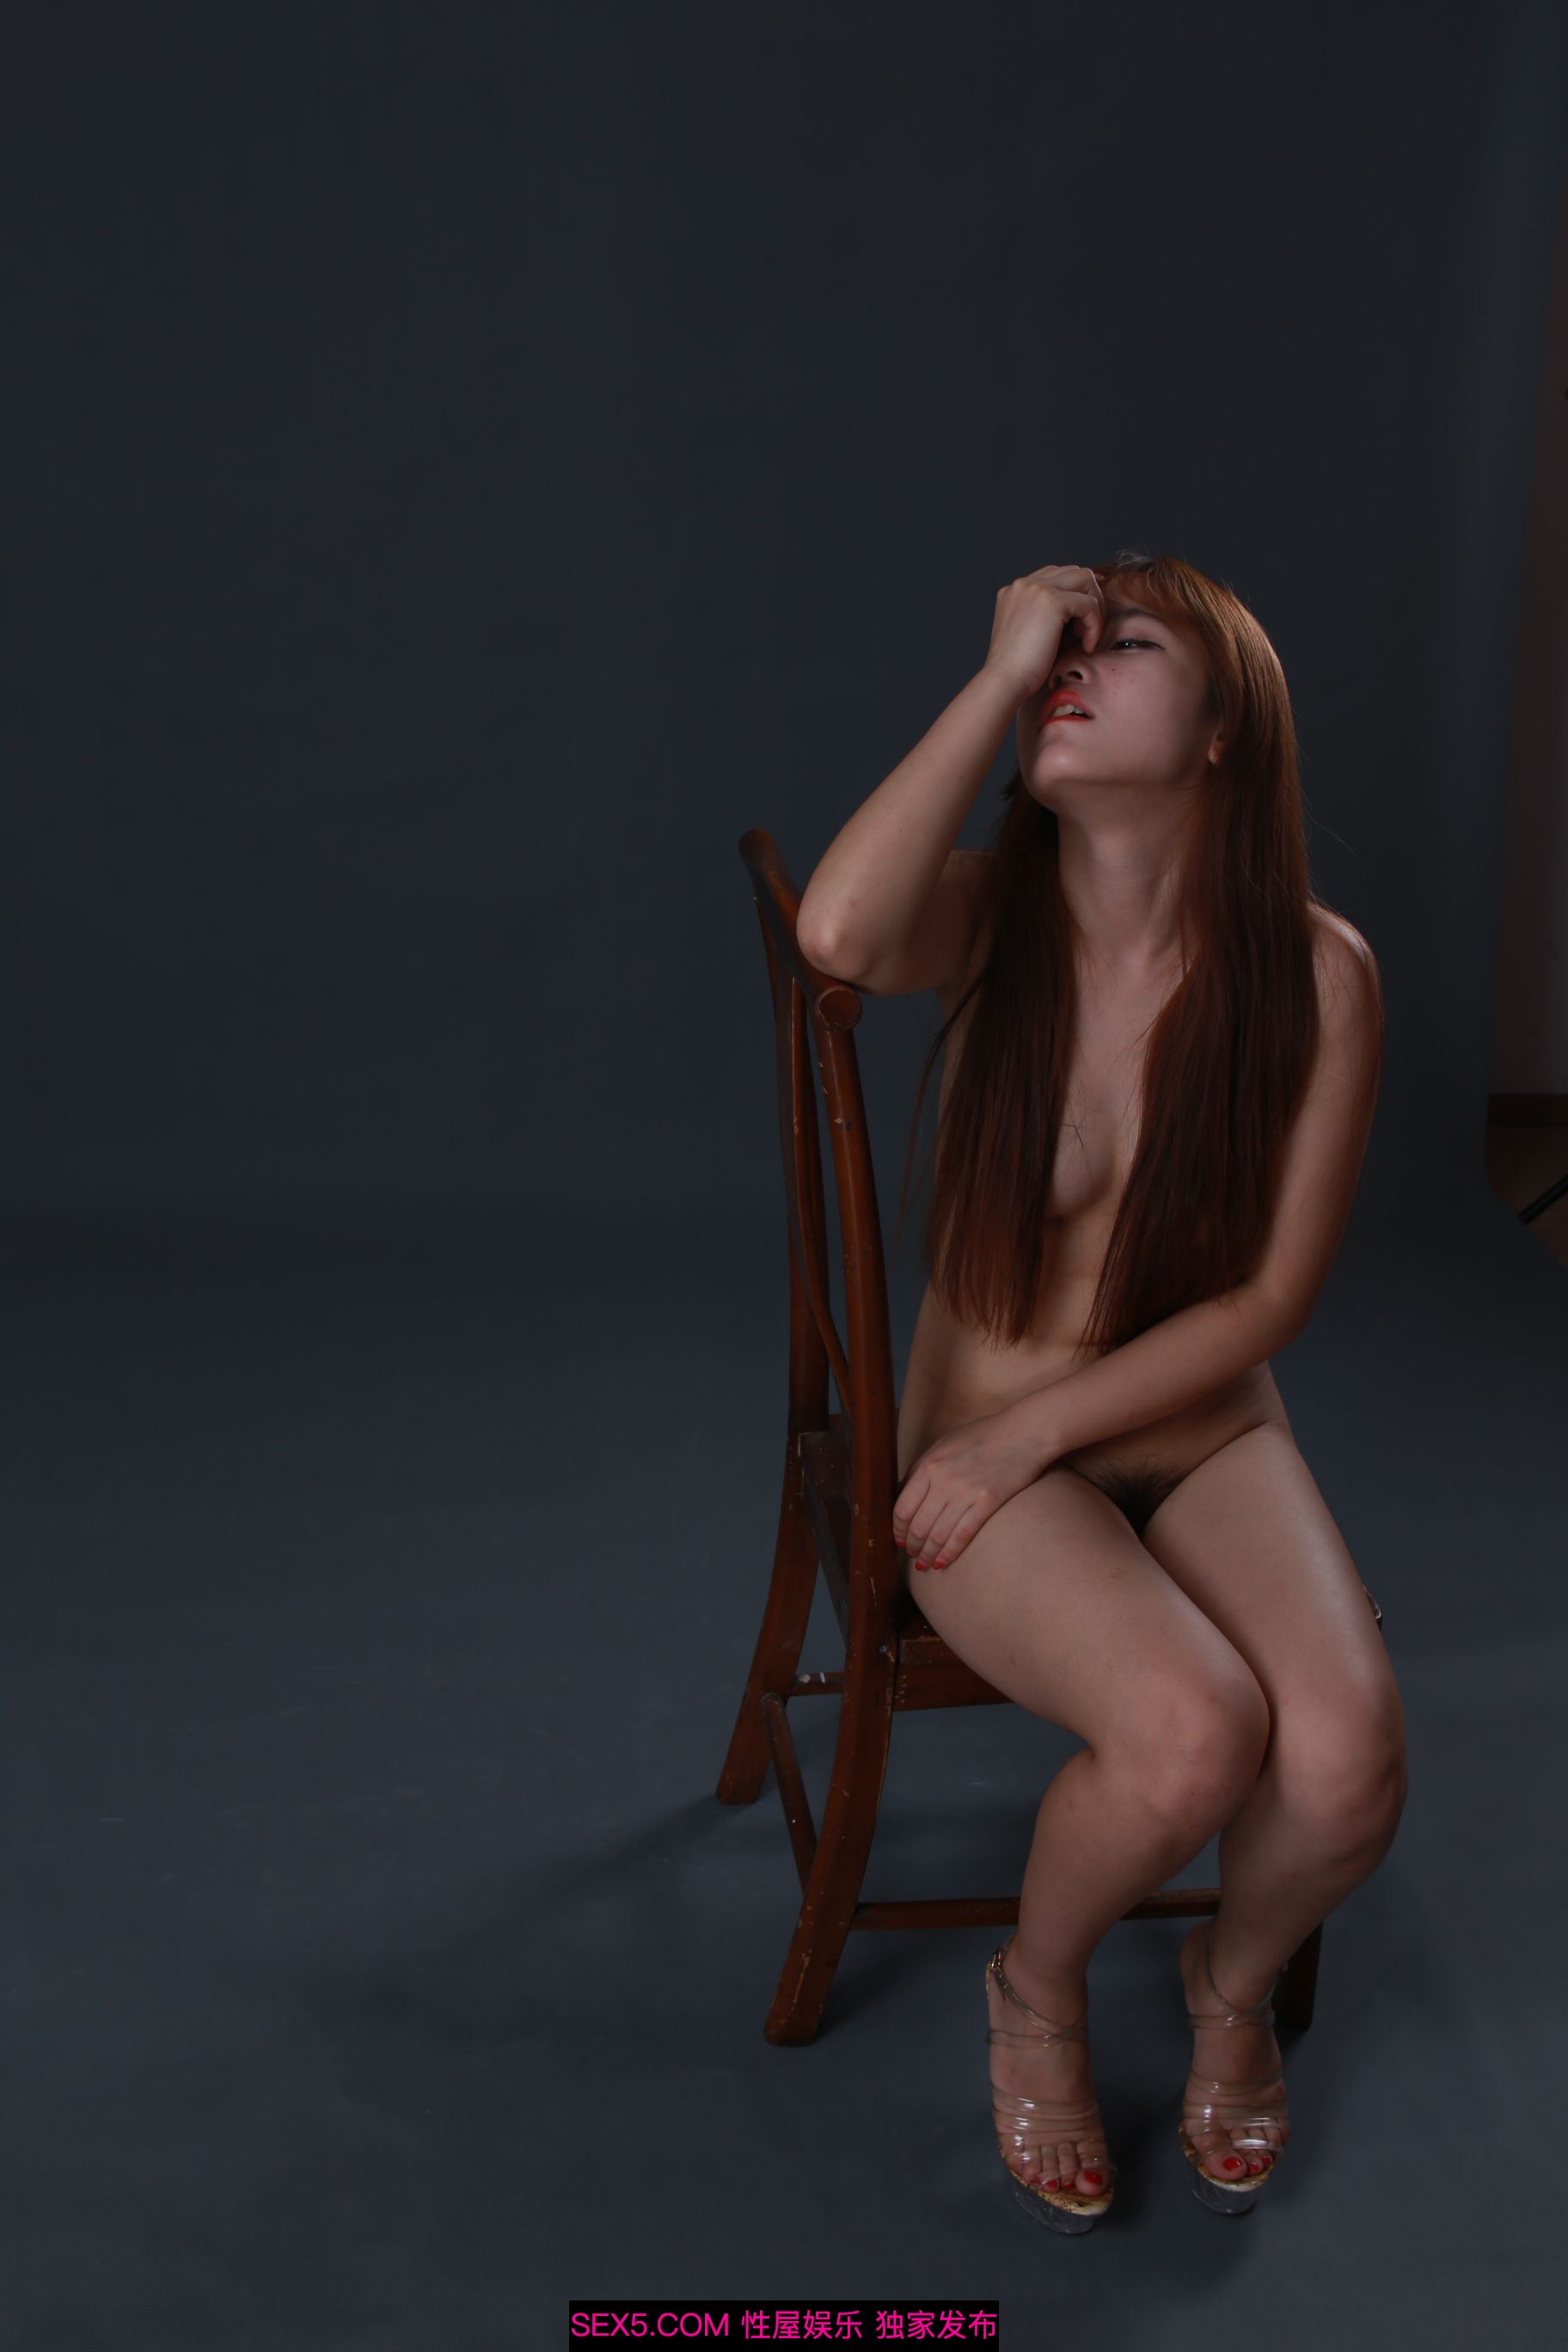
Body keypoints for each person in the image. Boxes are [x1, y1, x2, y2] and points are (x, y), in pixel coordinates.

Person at [793, 554, 1407, 2231]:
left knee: (1349, 1760)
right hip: (990, 1468)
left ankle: (1229, 1983)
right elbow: (835, 932)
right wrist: (998, 677)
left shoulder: (1318, 973)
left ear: (1222, 732)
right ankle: (1038, 1989)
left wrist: (1038, 1429)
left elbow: (1270, 1301)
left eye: (1119, 647)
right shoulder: (995, 918)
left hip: (1190, 1432)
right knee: (1191, 1733)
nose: (1070, 664)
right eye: (1056, 651)